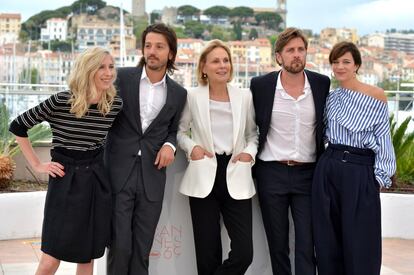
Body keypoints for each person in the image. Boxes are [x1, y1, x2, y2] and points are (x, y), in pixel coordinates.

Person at [8, 47, 122, 275]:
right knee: (51, 258)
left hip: (96, 181)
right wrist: (38, 165)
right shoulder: (61, 101)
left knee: (87, 256)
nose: (108, 73)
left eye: (111, 67)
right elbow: (18, 126)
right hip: (65, 179)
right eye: (101, 67)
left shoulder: (113, 105)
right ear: (87, 70)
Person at [105, 23, 187, 275]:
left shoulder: (178, 93)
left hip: (152, 176)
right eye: (148, 46)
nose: (152, 51)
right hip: (119, 174)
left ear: (170, 53)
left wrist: (170, 145)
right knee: (119, 246)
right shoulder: (121, 78)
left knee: (142, 249)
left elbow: (173, 129)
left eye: (159, 47)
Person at [250, 27, 330, 275]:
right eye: (290, 50)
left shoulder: (321, 84)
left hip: (308, 174)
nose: (296, 55)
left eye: (301, 50)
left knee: (307, 243)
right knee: (277, 244)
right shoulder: (261, 85)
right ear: (278, 57)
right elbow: (249, 126)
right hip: (270, 173)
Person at [312, 41, 396, 275]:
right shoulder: (331, 98)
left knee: (361, 239)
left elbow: (383, 139)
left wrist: (379, 178)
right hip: (329, 166)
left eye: (346, 62)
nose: (340, 67)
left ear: (356, 65)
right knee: (328, 239)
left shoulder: (376, 96)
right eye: (335, 62)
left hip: (360, 171)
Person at [177, 39, 258, 275]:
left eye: (226, 60)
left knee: (244, 253)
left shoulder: (245, 96)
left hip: (236, 172)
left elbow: (253, 134)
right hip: (203, 176)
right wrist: (192, 148)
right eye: (215, 61)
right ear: (203, 67)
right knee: (207, 255)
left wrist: (248, 154)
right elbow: (181, 132)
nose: (222, 65)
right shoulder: (192, 96)